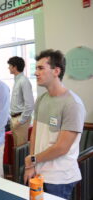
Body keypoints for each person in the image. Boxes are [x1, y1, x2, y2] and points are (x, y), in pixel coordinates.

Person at [24, 50, 86, 199]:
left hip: (59, 179)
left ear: (56, 71)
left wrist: (32, 160)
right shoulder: (41, 99)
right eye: (36, 68)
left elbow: (62, 148)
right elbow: (35, 134)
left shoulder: (73, 104)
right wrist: (31, 164)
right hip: (38, 173)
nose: (35, 72)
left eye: (41, 68)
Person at [7, 56, 34, 146]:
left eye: (10, 66)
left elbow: (30, 104)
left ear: (14, 67)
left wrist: (20, 121)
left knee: (20, 148)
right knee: (16, 148)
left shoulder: (23, 81)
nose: (8, 68)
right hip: (15, 118)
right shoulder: (17, 80)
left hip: (20, 119)